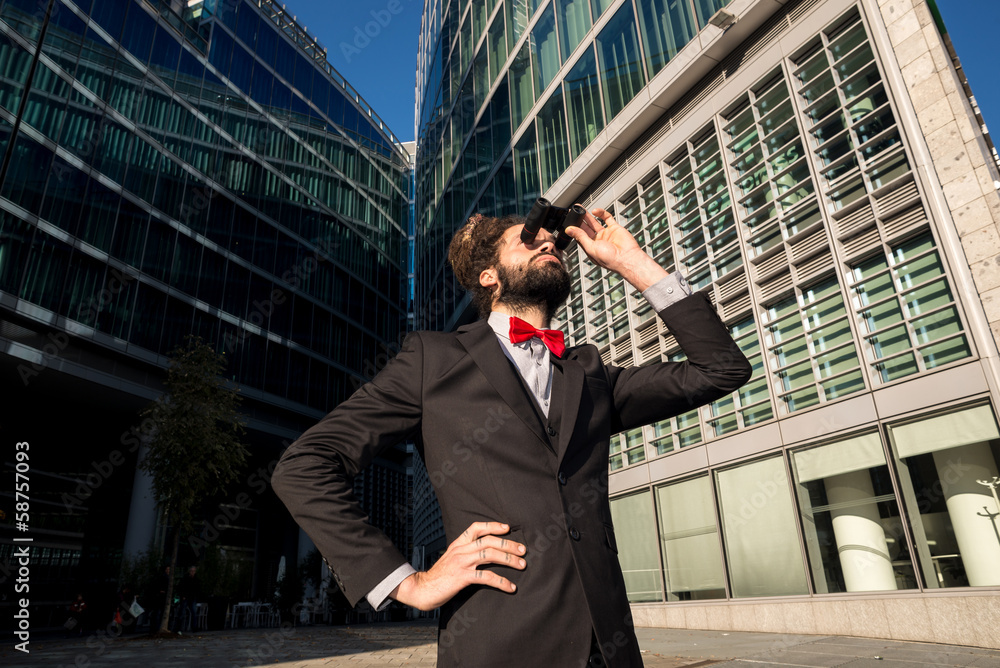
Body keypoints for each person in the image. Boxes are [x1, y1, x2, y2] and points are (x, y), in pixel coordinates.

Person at [271, 207, 752, 667]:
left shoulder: (590, 374)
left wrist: (633, 262)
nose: (548, 240)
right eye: (526, 239)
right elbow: (305, 466)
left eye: (550, 239)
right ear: (489, 276)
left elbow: (721, 370)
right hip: (499, 645)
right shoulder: (433, 361)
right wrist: (408, 582)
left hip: (610, 650)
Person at [175, 565, 200, 632]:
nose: (192, 572)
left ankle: (194, 627)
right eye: (191, 571)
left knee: (194, 612)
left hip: (192, 597)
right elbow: (181, 587)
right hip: (185, 597)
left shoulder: (196, 579)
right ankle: (179, 627)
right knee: (182, 612)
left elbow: (197, 588)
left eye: (193, 571)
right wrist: (183, 595)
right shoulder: (185, 578)